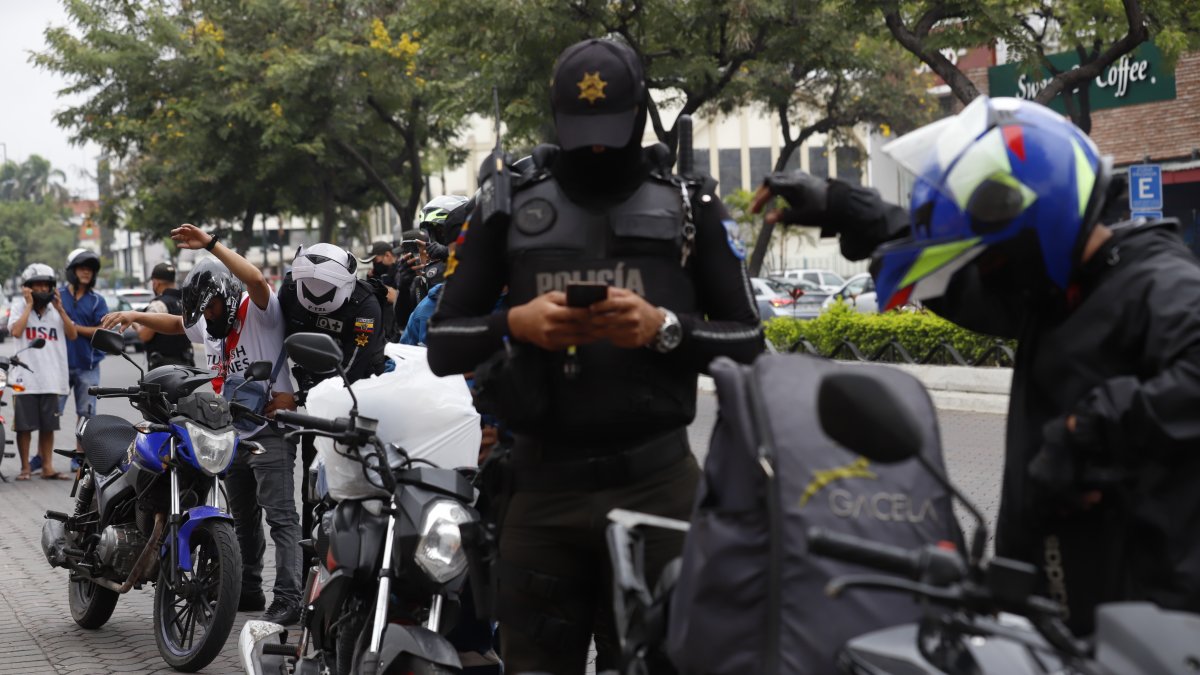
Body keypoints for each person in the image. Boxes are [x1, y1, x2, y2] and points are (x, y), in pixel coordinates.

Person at [752, 95, 1200, 634]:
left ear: (1037, 231)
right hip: (1049, 616)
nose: (985, 273)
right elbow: (955, 279)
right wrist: (846, 207)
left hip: (1149, 631)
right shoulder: (1057, 294)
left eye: (992, 259)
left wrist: (1089, 432)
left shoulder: (1159, 283)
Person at [425, 38, 763, 674]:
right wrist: (515, 323)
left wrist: (663, 328)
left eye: (611, 132)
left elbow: (749, 344)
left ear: (638, 116)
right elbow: (443, 345)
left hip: (657, 486)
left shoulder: (690, 203)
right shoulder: (506, 204)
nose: (598, 150)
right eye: (584, 134)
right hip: (541, 491)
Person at [101, 225, 302, 625]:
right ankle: (247, 588)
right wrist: (134, 315)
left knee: (280, 516)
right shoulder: (207, 324)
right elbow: (177, 324)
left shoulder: (259, 311)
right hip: (229, 432)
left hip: (269, 429)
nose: (207, 319)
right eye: (202, 313)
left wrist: (211, 245)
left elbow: (255, 278)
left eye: (211, 309)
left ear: (227, 298)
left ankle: (289, 597)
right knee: (242, 517)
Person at [277, 242, 388, 568]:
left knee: (359, 485)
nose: (316, 292)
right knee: (312, 489)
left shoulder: (365, 304)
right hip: (313, 402)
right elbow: (273, 338)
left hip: (356, 398)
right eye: (310, 286)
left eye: (325, 287)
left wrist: (308, 396)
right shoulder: (289, 291)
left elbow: (357, 362)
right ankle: (309, 569)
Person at [7, 263, 77, 481]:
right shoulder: (19, 307)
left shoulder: (56, 310)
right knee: (24, 427)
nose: (42, 289)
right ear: (27, 287)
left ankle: (47, 467)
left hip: (51, 377)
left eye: (46, 285)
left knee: (48, 427)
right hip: (24, 378)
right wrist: (28, 305)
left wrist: (61, 309)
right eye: (37, 285)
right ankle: (25, 468)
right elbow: (16, 331)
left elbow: (73, 334)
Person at [59, 249, 109, 451]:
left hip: (88, 365)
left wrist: (74, 327)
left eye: (90, 269)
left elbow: (101, 330)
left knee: (86, 414)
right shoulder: (58, 296)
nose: (87, 272)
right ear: (72, 270)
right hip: (59, 366)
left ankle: (80, 458)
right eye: (82, 268)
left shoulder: (97, 300)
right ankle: (43, 459)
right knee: (50, 414)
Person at [139, 262, 195, 369]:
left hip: (164, 368)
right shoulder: (186, 302)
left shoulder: (158, 305)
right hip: (187, 365)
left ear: (156, 283)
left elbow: (145, 335)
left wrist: (137, 326)